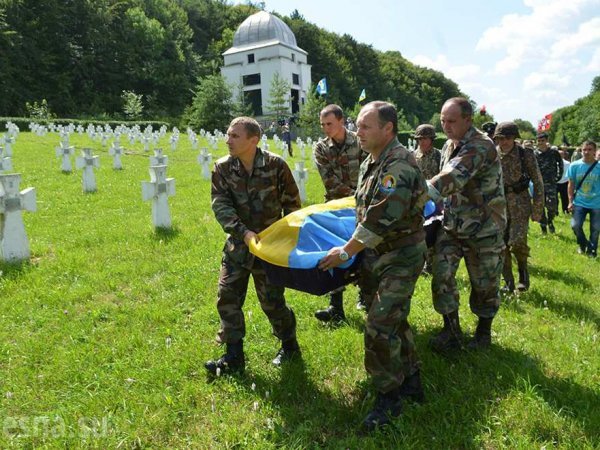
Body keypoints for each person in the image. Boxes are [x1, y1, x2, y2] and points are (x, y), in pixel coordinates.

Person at [318, 101, 428, 431]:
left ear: (388, 129)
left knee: (378, 326)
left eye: (366, 126)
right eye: (358, 125)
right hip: (378, 254)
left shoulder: (399, 165)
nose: (358, 131)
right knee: (394, 320)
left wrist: (345, 251)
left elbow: (380, 218)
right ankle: (411, 381)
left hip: (401, 255)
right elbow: (362, 209)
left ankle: (388, 399)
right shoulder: (371, 161)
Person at [205, 117, 302, 376]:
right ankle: (233, 355)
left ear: (253, 140)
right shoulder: (223, 168)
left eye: (234, 136)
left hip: (269, 249)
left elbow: (293, 206)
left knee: (272, 302)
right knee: (227, 297)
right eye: (227, 134)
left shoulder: (276, 166)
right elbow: (220, 205)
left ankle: (290, 345)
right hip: (238, 247)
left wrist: (285, 241)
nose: (228, 140)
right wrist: (243, 232)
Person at [426, 97, 507, 352]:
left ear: (468, 120)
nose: (445, 126)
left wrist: (417, 194)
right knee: (441, 274)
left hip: (484, 228)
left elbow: (452, 176)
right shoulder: (451, 145)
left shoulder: (481, 146)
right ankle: (451, 330)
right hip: (452, 226)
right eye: (442, 120)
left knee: (485, 284)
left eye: (451, 121)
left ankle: (483, 333)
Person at [313, 104, 369, 322]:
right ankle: (335, 307)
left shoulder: (359, 141)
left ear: (341, 121)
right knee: (333, 252)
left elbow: (369, 171)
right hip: (336, 207)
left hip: (363, 206)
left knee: (363, 250)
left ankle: (365, 296)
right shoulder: (321, 148)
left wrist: (360, 198)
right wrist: (351, 197)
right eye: (323, 124)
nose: (326, 129)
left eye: (330, 124)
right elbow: (329, 180)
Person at [494, 122, 544, 293]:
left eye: (507, 138)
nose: (504, 142)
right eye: (500, 138)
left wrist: (537, 209)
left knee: (517, 242)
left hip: (520, 203)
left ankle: (523, 274)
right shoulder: (493, 155)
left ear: (514, 138)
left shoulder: (525, 154)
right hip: (498, 205)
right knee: (500, 245)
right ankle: (508, 282)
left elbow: (537, 182)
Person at [412, 124, 442, 274]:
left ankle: (431, 264)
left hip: (436, 201)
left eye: (425, 138)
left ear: (432, 139)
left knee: (434, 231)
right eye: (419, 139)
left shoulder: (439, 156)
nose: (422, 142)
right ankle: (422, 262)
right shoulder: (413, 156)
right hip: (418, 200)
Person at [567, 140, 600, 258]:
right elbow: (571, 184)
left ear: (594, 151)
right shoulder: (574, 165)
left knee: (595, 229)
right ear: (581, 151)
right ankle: (583, 244)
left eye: (590, 149)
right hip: (579, 202)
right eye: (584, 149)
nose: (586, 152)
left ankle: (592, 251)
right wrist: (570, 201)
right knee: (575, 225)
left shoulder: (599, 167)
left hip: (597, 203)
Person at [535, 132, 563, 234]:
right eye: (539, 141)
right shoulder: (535, 154)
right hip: (538, 184)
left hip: (551, 183)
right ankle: (543, 227)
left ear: (547, 141)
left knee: (552, 206)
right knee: (540, 206)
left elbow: (560, 163)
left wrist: (558, 176)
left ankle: (550, 221)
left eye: (543, 140)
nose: (541, 143)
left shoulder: (553, 152)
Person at [557, 149, 571, 214]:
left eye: (561, 154)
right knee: (555, 199)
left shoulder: (568, 163)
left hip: (565, 182)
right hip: (555, 182)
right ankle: (555, 211)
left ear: (563, 155)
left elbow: (569, 174)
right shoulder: (553, 163)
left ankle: (565, 210)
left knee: (565, 198)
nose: (560, 155)